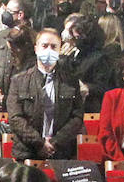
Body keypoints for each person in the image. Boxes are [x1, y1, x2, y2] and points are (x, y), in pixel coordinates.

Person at [7, 27, 83, 160]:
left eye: (54, 47)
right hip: (27, 152)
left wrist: (54, 143)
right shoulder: (18, 81)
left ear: (60, 50)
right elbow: (15, 118)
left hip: (61, 152)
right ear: (36, 48)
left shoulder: (71, 81)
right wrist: (40, 143)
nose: (49, 50)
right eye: (45, 46)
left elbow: (77, 117)